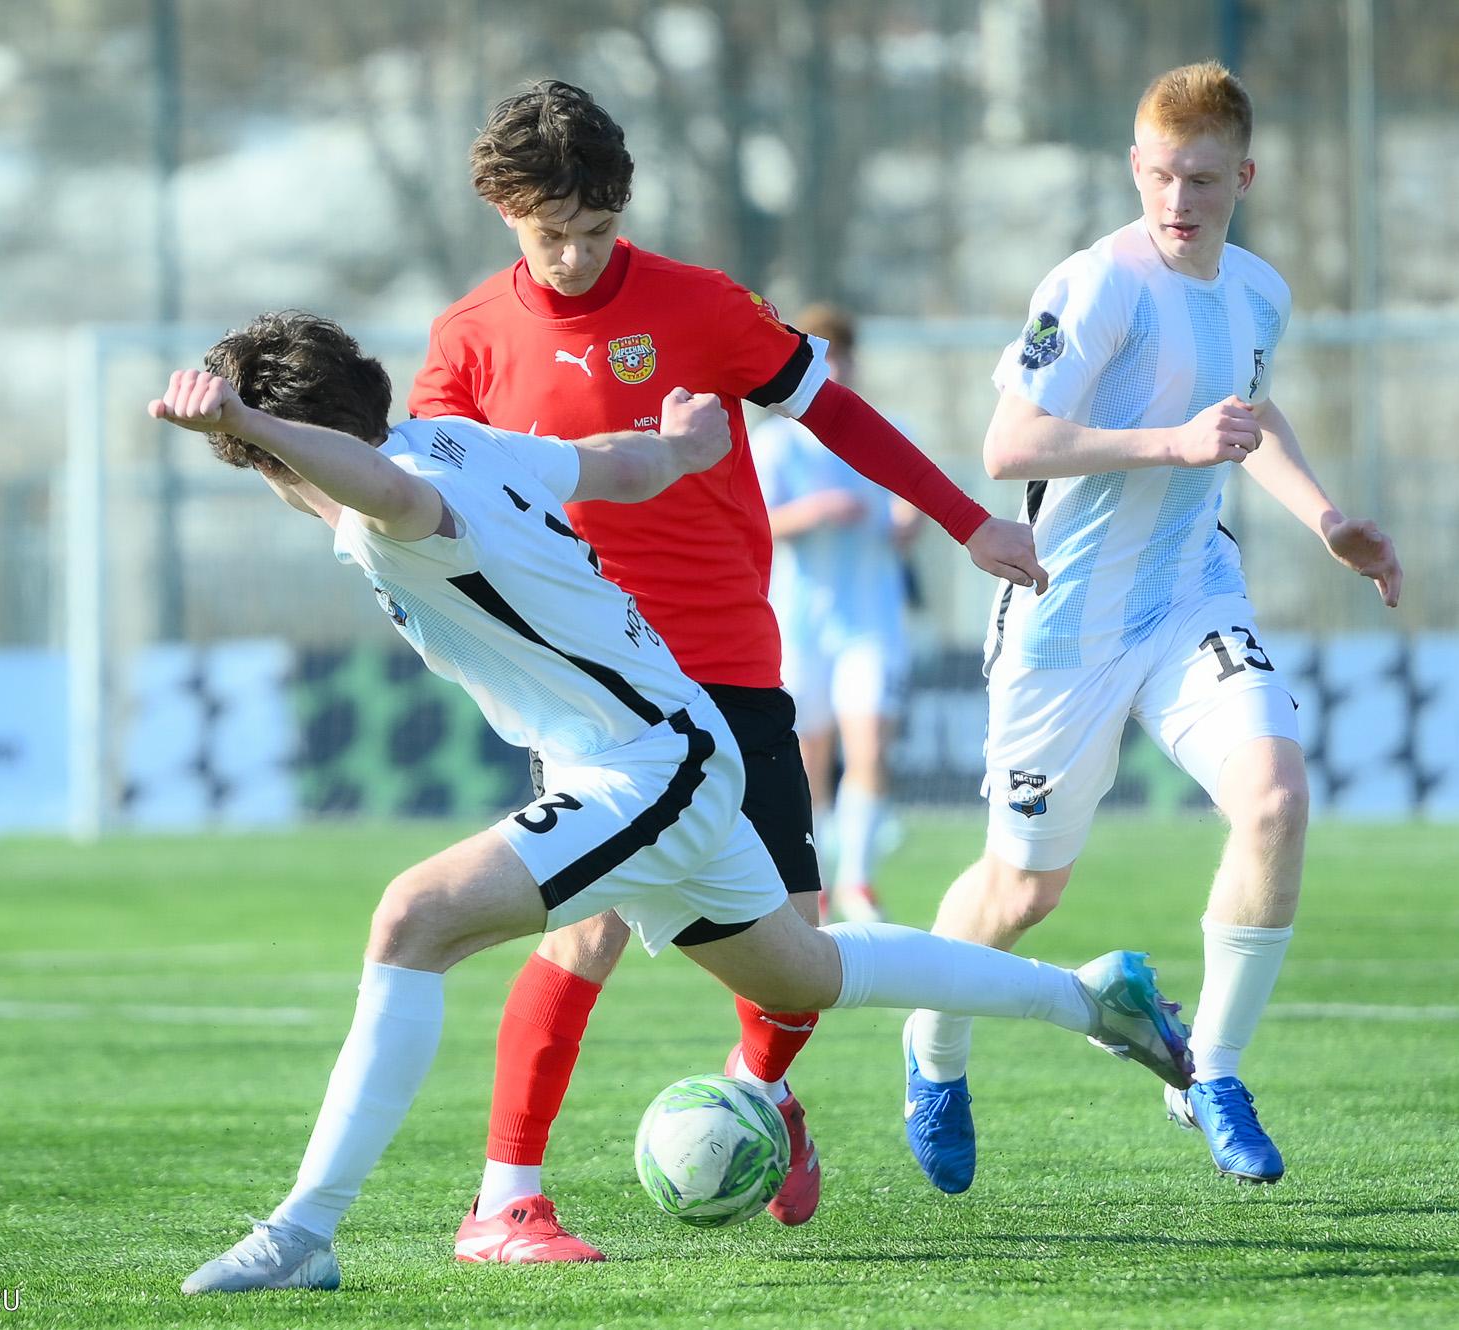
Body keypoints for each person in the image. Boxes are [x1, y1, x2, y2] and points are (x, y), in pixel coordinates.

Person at [156, 312, 1193, 1294]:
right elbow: (612, 466)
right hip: (660, 750)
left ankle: (304, 1232)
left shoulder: (406, 496)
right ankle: (1092, 1001)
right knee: (806, 972)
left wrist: (246, 422)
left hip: (648, 764)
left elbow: (377, 484)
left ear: (277, 461)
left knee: (412, 917)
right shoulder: (456, 442)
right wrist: (684, 449)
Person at [409, 80, 1047, 1260]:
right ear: (502, 211)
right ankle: (506, 1200)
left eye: (595, 230)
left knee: (797, 958)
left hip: (728, 658)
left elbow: (836, 416)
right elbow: (426, 493)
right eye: (549, 233)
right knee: (583, 927)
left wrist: (966, 523)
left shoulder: (699, 306)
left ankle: (759, 1092)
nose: (572, 254)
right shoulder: (465, 342)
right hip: (595, 685)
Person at [902, 61, 1404, 1193]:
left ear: (1245, 178)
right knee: (1021, 892)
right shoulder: (1094, 286)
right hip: (1064, 619)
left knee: (1275, 800)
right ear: (1135, 168)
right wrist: (1170, 444)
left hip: (1190, 594)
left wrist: (1326, 518)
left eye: (1204, 180)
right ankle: (933, 1055)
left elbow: (1247, 412)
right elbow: (1009, 447)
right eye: (1163, 176)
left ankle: (1209, 1071)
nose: (1180, 200)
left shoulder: (1259, 292)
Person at [753, 304, 921, 924]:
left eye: (843, 355)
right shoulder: (775, 444)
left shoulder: (886, 429)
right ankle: (817, 880)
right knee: (810, 755)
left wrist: (908, 521)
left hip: (872, 619)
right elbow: (755, 524)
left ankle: (859, 882)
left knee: (870, 746)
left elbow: (915, 500)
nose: (836, 367)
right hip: (800, 623)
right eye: (824, 356)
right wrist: (814, 512)